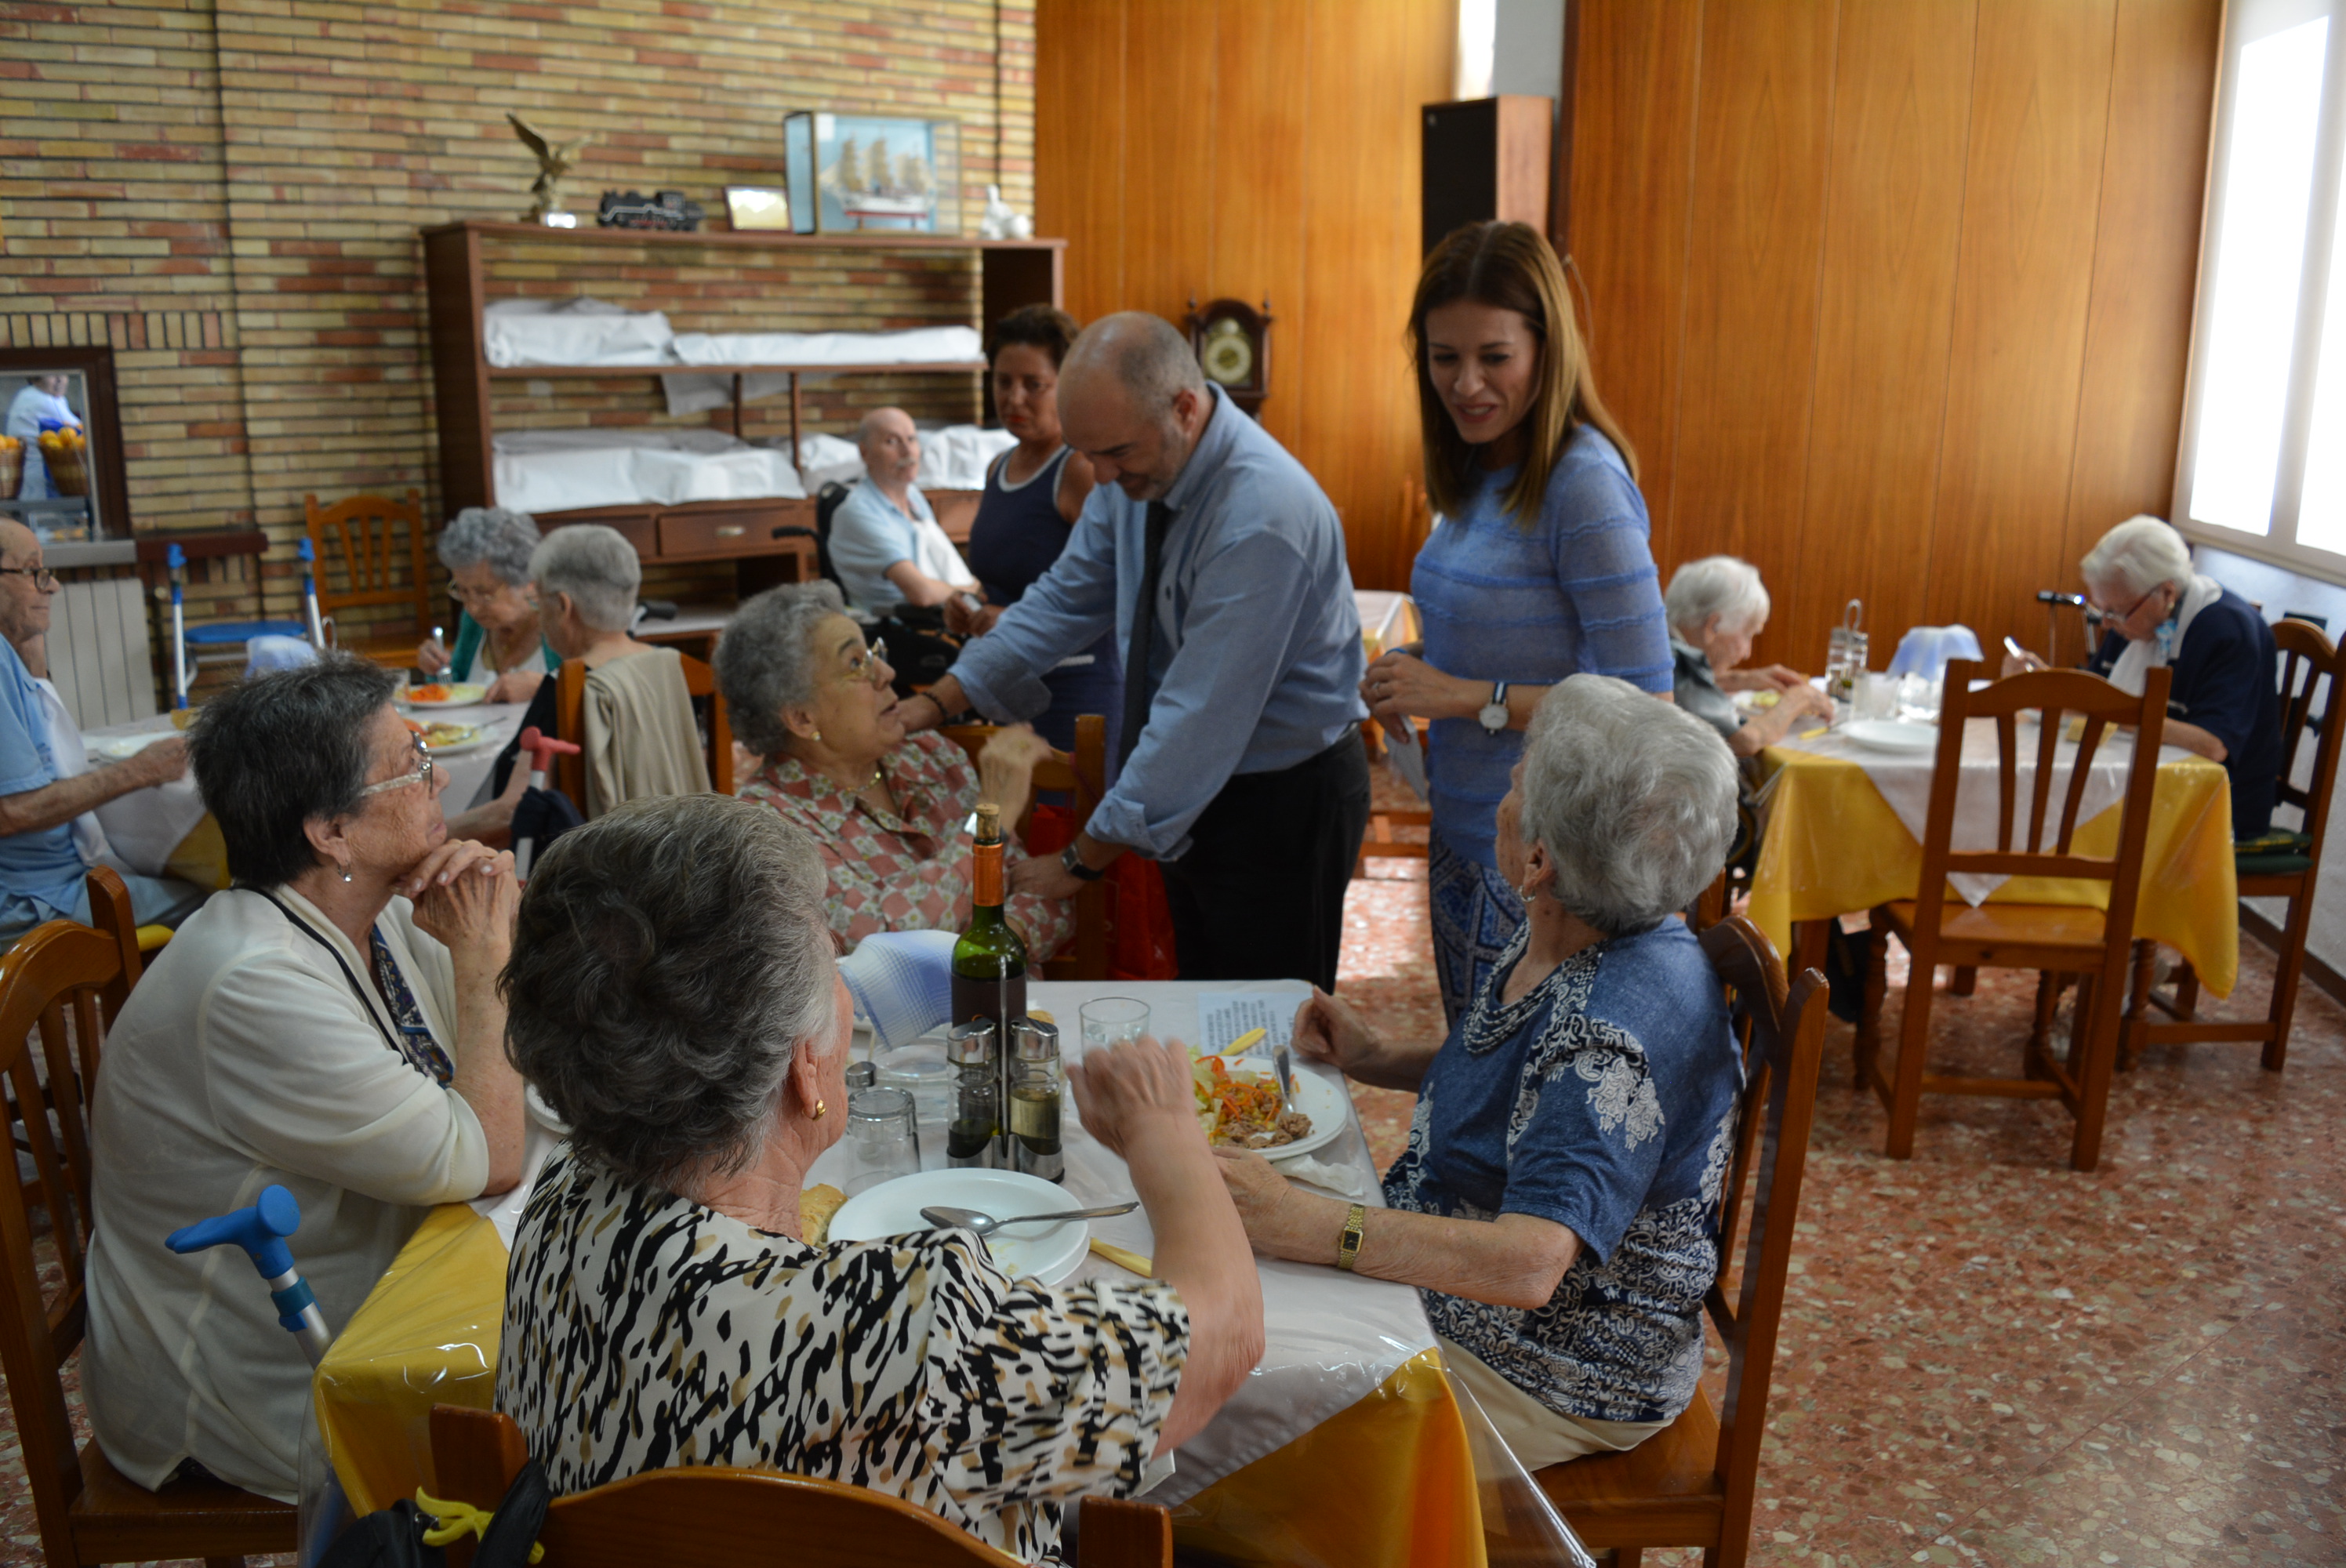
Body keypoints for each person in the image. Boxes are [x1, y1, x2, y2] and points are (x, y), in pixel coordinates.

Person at [496, 794, 1262, 1564]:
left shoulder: (560, 1203)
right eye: (831, 963)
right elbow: (1218, 1341)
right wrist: (1166, 1130)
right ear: (805, 1066)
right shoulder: (908, 1330)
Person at [1211, 676, 1742, 1471]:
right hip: (1473, 1295)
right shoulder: (1597, 920)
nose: (1501, 791)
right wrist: (1380, 1057)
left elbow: (1528, 1262)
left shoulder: (1606, 1036)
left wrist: (1303, 1223)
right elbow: (1532, 1083)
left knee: (1205, 1385)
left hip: (1546, 1368)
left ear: (1538, 858)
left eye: (1514, 781)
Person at [83, 655, 526, 1501]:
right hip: (246, 1371)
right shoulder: (253, 979)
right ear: (331, 830)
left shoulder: (379, 911)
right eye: (414, 766)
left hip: (362, 1287)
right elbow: (488, 1154)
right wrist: (483, 961)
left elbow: (514, 1062)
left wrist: (491, 939)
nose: (437, 782)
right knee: (546, 1421)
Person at [902, 313, 1370, 991]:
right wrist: (941, 698)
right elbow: (1065, 597)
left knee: (1268, 1025)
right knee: (1205, 1003)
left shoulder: (1263, 515)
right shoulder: (1134, 469)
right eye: (1087, 454)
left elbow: (1197, 717)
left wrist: (1084, 857)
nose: (1100, 474)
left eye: (1115, 453)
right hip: (1198, 779)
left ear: (1184, 407)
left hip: (1279, 798)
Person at [1360, 222, 1675, 1027]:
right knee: (1478, 1082)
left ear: (1546, 349)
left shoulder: (1584, 484)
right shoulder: (1480, 465)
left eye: (1493, 357)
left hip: (1546, 860)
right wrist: (1416, 666)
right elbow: (1514, 633)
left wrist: (1464, 694)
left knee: (1515, 1108)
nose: (1465, 382)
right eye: (1443, 357)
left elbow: (1645, 704)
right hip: (1467, 828)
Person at [718, 581, 1072, 958]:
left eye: (874, 653)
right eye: (856, 664)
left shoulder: (931, 755)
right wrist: (988, 822)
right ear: (802, 718)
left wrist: (990, 956)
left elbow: (1044, 897)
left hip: (1013, 1006)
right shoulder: (771, 829)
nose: (886, 672)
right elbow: (886, 947)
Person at [2005, 514, 2281, 839]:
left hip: (2213, 807)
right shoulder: (2135, 617)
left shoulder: (2229, 631)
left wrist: (2121, 712)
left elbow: (2213, 744)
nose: (2107, 624)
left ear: (2167, 593)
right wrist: (2040, 684)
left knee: (2047, 825)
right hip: (2141, 780)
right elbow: (2094, 698)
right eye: (2102, 610)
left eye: (2115, 612)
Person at [0, 518, 200, 942]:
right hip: (34, 900)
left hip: (46, 880)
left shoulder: (10, 654)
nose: (51, 587)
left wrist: (33, 662)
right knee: (222, 902)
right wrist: (140, 771)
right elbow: (14, 811)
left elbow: (44, 757)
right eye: (34, 572)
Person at [944, 304, 1121, 761]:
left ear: (1069, 385)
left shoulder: (1080, 469)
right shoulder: (999, 466)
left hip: (1075, 691)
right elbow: (1008, 574)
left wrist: (1016, 619)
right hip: (1011, 685)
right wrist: (973, 605)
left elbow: (1114, 586)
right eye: (1003, 382)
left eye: (1033, 385)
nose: (1014, 399)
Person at [1664, 555, 1832, 756]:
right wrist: (1798, 700)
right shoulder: (1678, 660)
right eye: (1748, 634)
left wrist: (1738, 679)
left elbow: (1681, 694)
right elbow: (1744, 739)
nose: (1747, 653)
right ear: (1712, 626)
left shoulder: (1660, 641)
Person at [827, 405, 980, 615]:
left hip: (941, 612)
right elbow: (922, 593)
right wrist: (971, 591)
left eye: (911, 439)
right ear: (865, 453)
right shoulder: (858, 512)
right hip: (898, 627)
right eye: (892, 441)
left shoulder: (913, 495)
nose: (907, 452)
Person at [414, 506, 559, 703]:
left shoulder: (561, 623)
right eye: (463, 591)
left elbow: (596, 698)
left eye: (485, 594)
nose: (471, 607)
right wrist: (438, 670)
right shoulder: (475, 623)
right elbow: (455, 691)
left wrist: (545, 689)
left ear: (528, 582)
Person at [4, 373, 80, 499]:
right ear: (34, 379)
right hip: (37, 478)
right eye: (52, 375)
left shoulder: (52, 397)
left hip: (46, 474)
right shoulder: (37, 398)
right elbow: (80, 429)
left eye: (63, 374)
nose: (60, 379)